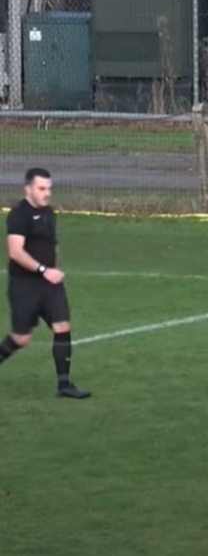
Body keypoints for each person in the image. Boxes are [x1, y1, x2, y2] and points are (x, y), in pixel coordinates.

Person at [0, 168, 90, 399]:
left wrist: (56, 269)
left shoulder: (49, 212)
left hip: (49, 284)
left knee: (62, 327)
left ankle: (64, 385)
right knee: (21, 338)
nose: (46, 193)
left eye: (49, 188)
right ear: (28, 188)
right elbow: (15, 252)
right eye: (41, 188)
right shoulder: (19, 215)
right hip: (25, 286)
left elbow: (53, 244)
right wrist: (43, 270)